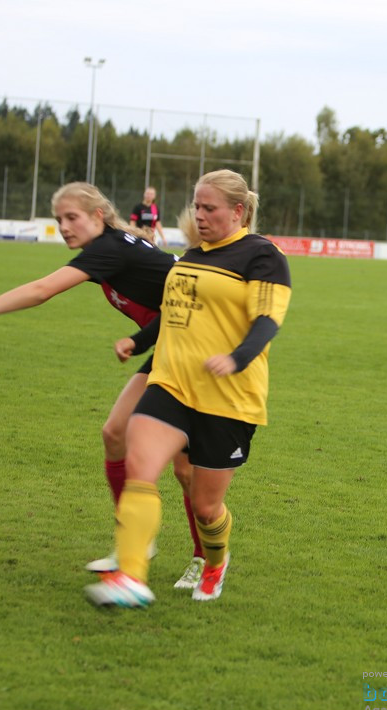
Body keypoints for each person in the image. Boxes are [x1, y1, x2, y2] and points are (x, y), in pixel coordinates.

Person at [0, 182, 207, 591]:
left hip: (195, 352)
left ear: (98, 217)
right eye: (58, 220)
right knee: (114, 434)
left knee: (184, 469)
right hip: (169, 347)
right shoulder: (110, 247)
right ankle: (136, 545)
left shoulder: (109, 248)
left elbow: (41, 291)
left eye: (72, 217)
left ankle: (204, 557)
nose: (64, 227)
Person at [85, 168, 291, 608]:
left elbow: (267, 319)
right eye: (196, 205)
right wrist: (137, 341)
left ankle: (215, 561)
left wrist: (237, 358)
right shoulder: (193, 255)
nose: (198, 215)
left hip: (229, 397)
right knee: (141, 464)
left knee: (205, 507)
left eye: (209, 208)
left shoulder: (262, 255)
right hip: (171, 382)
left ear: (238, 211)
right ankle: (131, 575)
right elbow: (174, 312)